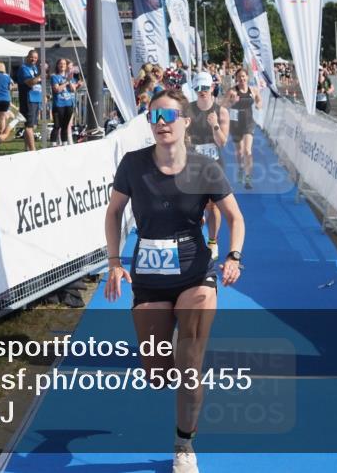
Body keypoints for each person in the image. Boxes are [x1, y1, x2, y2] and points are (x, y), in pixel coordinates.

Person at [103, 89, 245, 473]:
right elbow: (114, 212)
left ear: (185, 122)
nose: (161, 122)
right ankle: (176, 348)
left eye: (168, 115)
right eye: (154, 117)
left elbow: (235, 216)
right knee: (158, 373)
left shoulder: (205, 167)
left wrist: (231, 255)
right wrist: (115, 261)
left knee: (189, 367)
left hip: (196, 273)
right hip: (149, 279)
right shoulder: (133, 165)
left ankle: (184, 445)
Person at [185, 71, 230, 260]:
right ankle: (194, 235)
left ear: (212, 87)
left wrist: (215, 125)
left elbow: (222, 142)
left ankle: (212, 242)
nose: (201, 91)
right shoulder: (188, 110)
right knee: (191, 203)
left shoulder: (221, 111)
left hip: (213, 164)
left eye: (205, 87)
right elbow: (182, 136)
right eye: (198, 88)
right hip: (193, 162)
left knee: (213, 206)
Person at [225, 68, 261, 189]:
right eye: (239, 77)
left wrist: (258, 105)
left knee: (247, 151)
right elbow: (223, 105)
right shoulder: (232, 91)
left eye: (244, 76)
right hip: (235, 123)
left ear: (247, 77)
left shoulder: (253, 90)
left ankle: (248, 179)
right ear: (236, 78)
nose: (242, 79)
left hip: (248, 122)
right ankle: (240, 168)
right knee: (239, 152)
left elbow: (259, 101)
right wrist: (231, 101)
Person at [15, 50, 42, 151]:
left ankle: (26, 148)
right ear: (27, 57)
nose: (33, 59)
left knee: (32, 126)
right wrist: (40, 76)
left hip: (35, 99)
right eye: (32, 57)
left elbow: (38, 84)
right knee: (29, 126)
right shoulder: (24, 68)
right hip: (28, 99)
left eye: (35, 58)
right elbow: (30, 83)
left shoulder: (34, 68)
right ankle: (33, 150)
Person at [50, 58, 76, 146]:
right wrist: (66, 82)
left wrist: (70, 81)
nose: (62, 65)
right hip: (58, 104)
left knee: (65, 126)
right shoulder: (54, 76)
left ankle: (64, 144)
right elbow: (57, 89)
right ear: (57, 65)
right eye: (60, 64)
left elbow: (73, 90)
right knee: (57, 126)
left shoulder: (68, 77)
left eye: (64, 64)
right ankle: (53, 144)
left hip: (68, 104)